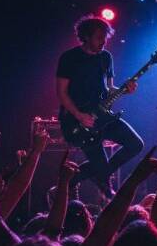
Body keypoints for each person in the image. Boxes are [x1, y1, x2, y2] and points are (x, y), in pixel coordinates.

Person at [56, 15, 144, 195]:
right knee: (101, 169)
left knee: (135, 144)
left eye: (105, 37)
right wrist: (79, 115)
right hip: (78, 121)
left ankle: (79, 179)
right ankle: (91, 177)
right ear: (86, 36)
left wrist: (125, 89)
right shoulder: (69, 57)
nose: (103, 42)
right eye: (99, 37)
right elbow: (62, 93)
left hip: (103, 116)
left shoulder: (106, 57)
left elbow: (110, 88)